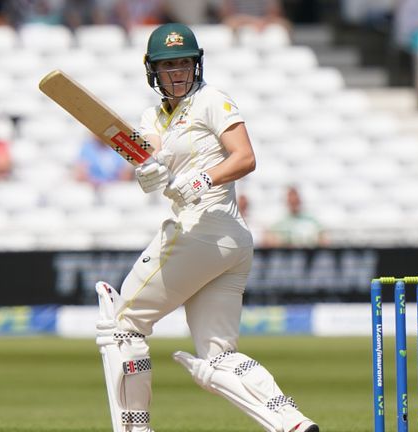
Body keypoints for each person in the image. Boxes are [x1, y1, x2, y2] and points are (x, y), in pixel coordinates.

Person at [94, 23, 319, 432]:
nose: (177, 72)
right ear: (153, 72)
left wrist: (201, 180)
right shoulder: (154, 116)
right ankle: (292, 423)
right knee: (218, 356)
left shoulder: (212, 99)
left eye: (183, 63)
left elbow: (245, 157)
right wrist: (147, 172)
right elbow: (152, 153)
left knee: (122, 327)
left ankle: (135, 429)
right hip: (227, 244)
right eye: (167, 65)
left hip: (206, 227)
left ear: (196, 65)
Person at [218, 0, 292, 32]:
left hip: (265, 20)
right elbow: (228, 13)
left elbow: (275, 12)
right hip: (241, 20)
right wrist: (252, 22)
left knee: (285, 24)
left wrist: (263, 22)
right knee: (229, 22)